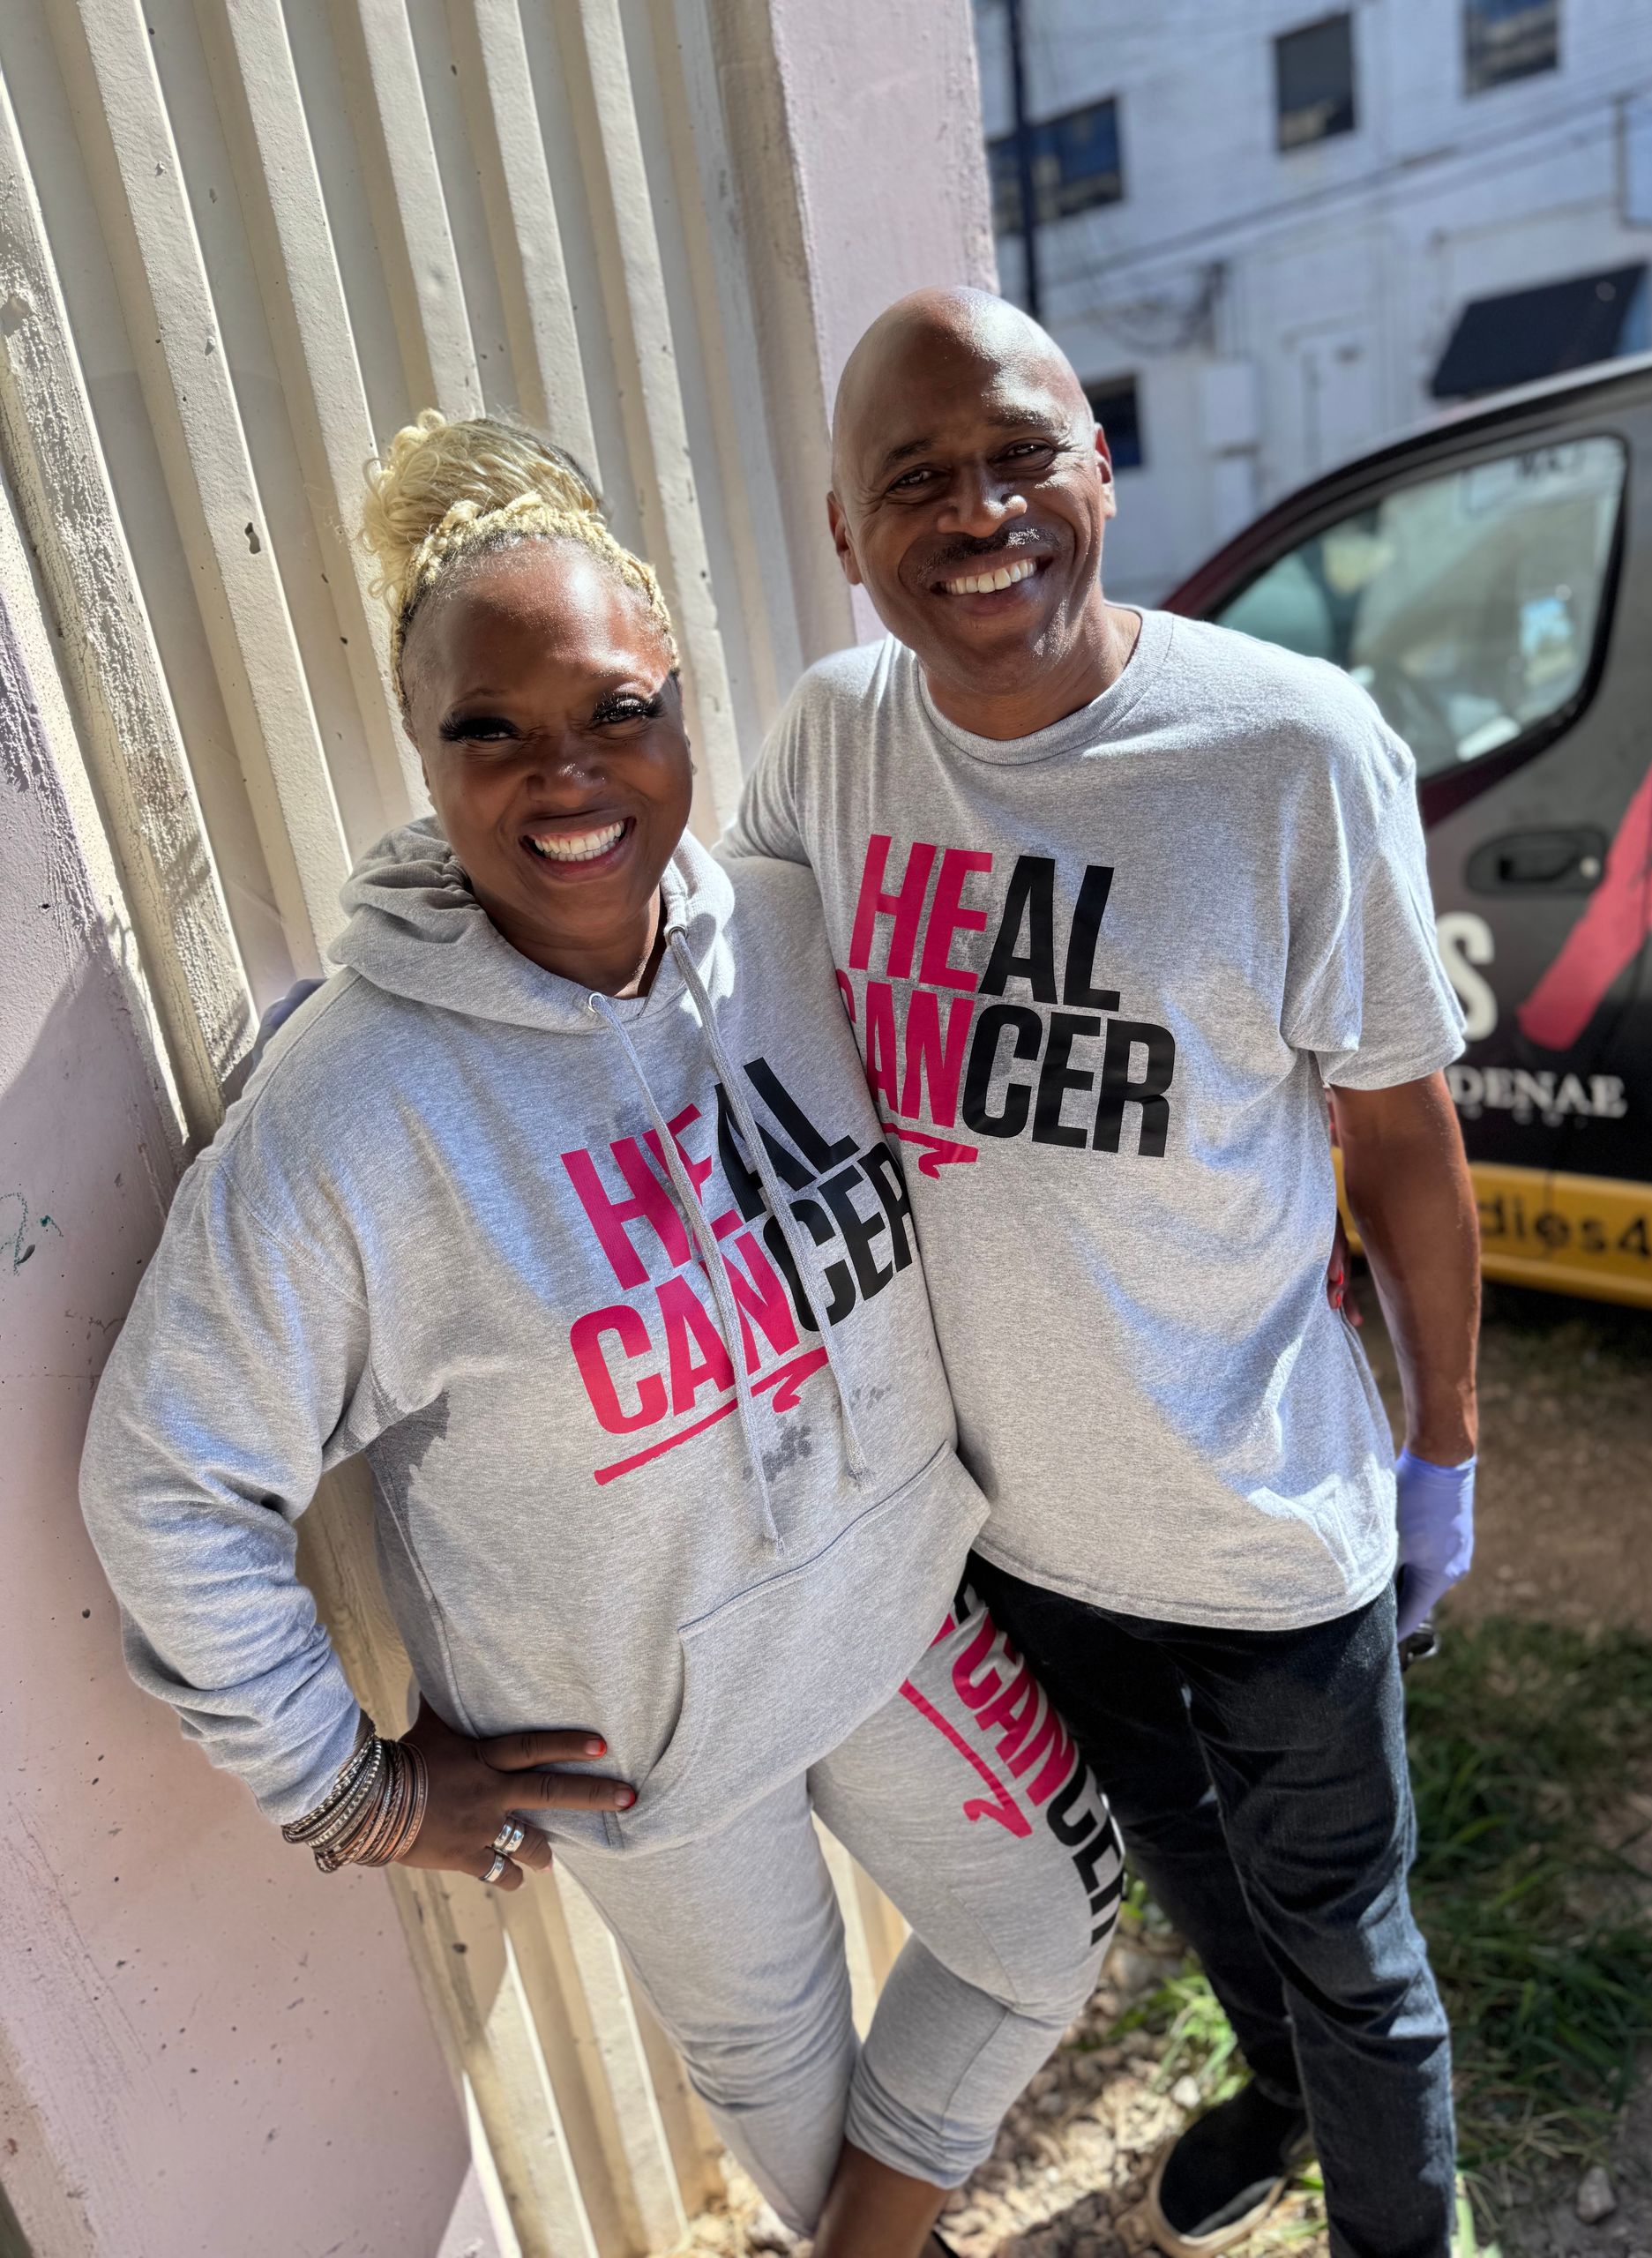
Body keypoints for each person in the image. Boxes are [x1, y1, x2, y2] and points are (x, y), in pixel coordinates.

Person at [78, 411, 1125, 2258]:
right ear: (424, 751)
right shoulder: (354, 1111)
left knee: (1054, 1924)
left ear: (682, 704)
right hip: (644, 1751)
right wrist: (356, 1788)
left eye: (615, 708)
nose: (565, 774)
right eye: (491, 728)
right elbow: (166, 1477)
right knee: (807, 2132)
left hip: (896, 1617)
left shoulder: (797, 940)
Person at [723, 288, 1480, 2258]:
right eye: (916, 481)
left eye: (1020, 455)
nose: (979, 513)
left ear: (1100, 468)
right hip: (1019, 1536)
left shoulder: (1288, 753)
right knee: (1204, 1898)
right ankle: (1275, 2090)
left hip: (1262, 1535)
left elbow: (1401, 1142)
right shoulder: (828, 743)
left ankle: (1408, 2222)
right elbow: (730, 1036)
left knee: (1356, 1945)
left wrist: (1445, 1454)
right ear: (843, 531)